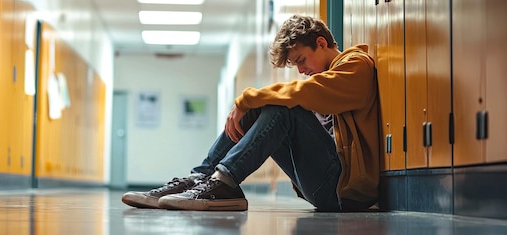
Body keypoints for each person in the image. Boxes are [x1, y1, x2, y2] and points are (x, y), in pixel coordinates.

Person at [121, 15, 381, 212]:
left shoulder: (356, 65)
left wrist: (246, 98)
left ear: (321, 43)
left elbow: (304, 91)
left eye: (301, 60)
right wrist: (249, 105)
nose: (301, 70)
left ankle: (225, 182)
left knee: (281, 107)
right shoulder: (327, 77)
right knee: (265, 106)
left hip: (344, 190)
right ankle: (199, 177)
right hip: (323, 183)